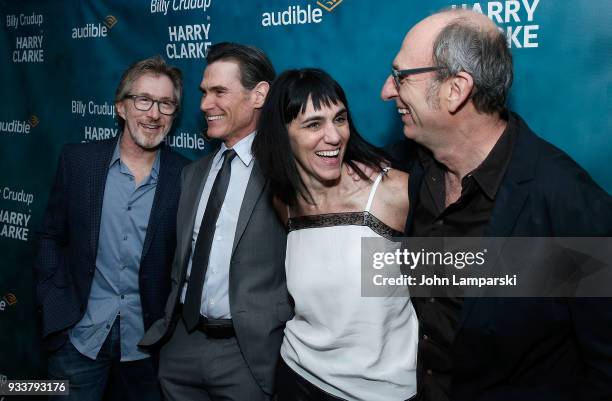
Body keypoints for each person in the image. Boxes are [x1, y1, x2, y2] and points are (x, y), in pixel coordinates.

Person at [379, 8, 612, 401]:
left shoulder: (569, 205)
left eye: (401, 76)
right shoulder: (410, 172)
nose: (387, 90)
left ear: (456, 89)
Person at [252, 68, 418, 401]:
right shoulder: (284, 201)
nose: (334, 136)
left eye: (339, 119)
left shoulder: (391, 192)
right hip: (296, 376)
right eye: (314, 124)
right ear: (283, 135)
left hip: (382, 393)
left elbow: (459, 286)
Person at [139, 42, 290, 401]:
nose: (205, 104)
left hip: (248, 356)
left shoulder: (286, 172)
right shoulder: (193, 173)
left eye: (219, 91)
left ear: (259, 95)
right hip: (180, 346)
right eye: (204, 92)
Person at [35, 56, 190, 401]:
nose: (154, 114)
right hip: (78, 339)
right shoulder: (78, 162)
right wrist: (52, 302)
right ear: (121, 107)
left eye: (166, 104)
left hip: (149, 349)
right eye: (143, 100)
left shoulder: (187, 177)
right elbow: (51, 236)